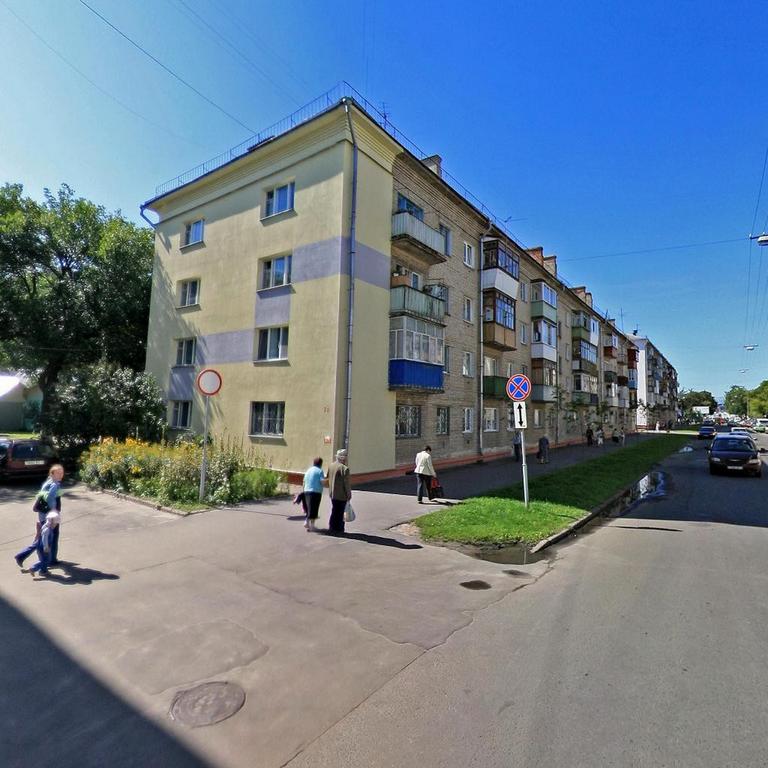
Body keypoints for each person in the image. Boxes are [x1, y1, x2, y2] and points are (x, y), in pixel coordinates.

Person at [15, 464, 64, 569]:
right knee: (49, 538)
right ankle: (24, 557)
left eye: (62, 473)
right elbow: (50, 498)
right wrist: (54, 512)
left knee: (45, 537)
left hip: (43, 514)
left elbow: (41, 496)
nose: (61, 475)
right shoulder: (54, 485)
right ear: (52, 474)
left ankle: (49, 559)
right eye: (58, 473)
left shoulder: (47, 483)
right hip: (50, 516)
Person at [17, 511, 60, 575]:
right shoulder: (47, 530)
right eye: (55, 523)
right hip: (43, 547)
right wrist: (46, 547)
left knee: (44, 559)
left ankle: (42, 571)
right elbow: (44, 539)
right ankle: (33, 569)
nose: (55, 525)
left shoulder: (45, 526)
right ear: (51, 522)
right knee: (45, 560)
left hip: (40, 546)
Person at [326, 449, 351, 534]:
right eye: (346, 457)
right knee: (340, 512)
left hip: (332, 493)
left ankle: (332, 527)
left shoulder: (331, 466)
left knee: (334, 510)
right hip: (341, 495)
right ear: (343, 458)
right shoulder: (344, 469)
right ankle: (339, 529)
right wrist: (349, 494)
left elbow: (328, 478)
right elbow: (346, 484)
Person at [301, 457, 324, 532]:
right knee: (314, 508)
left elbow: (304, 482)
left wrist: (304, 490)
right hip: (316, 491)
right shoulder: (320, 471)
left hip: (306, 491)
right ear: (321, 464)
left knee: (308, 508)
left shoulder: (308, 470)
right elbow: (322, 481)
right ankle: (312, 526)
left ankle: (307, 522)